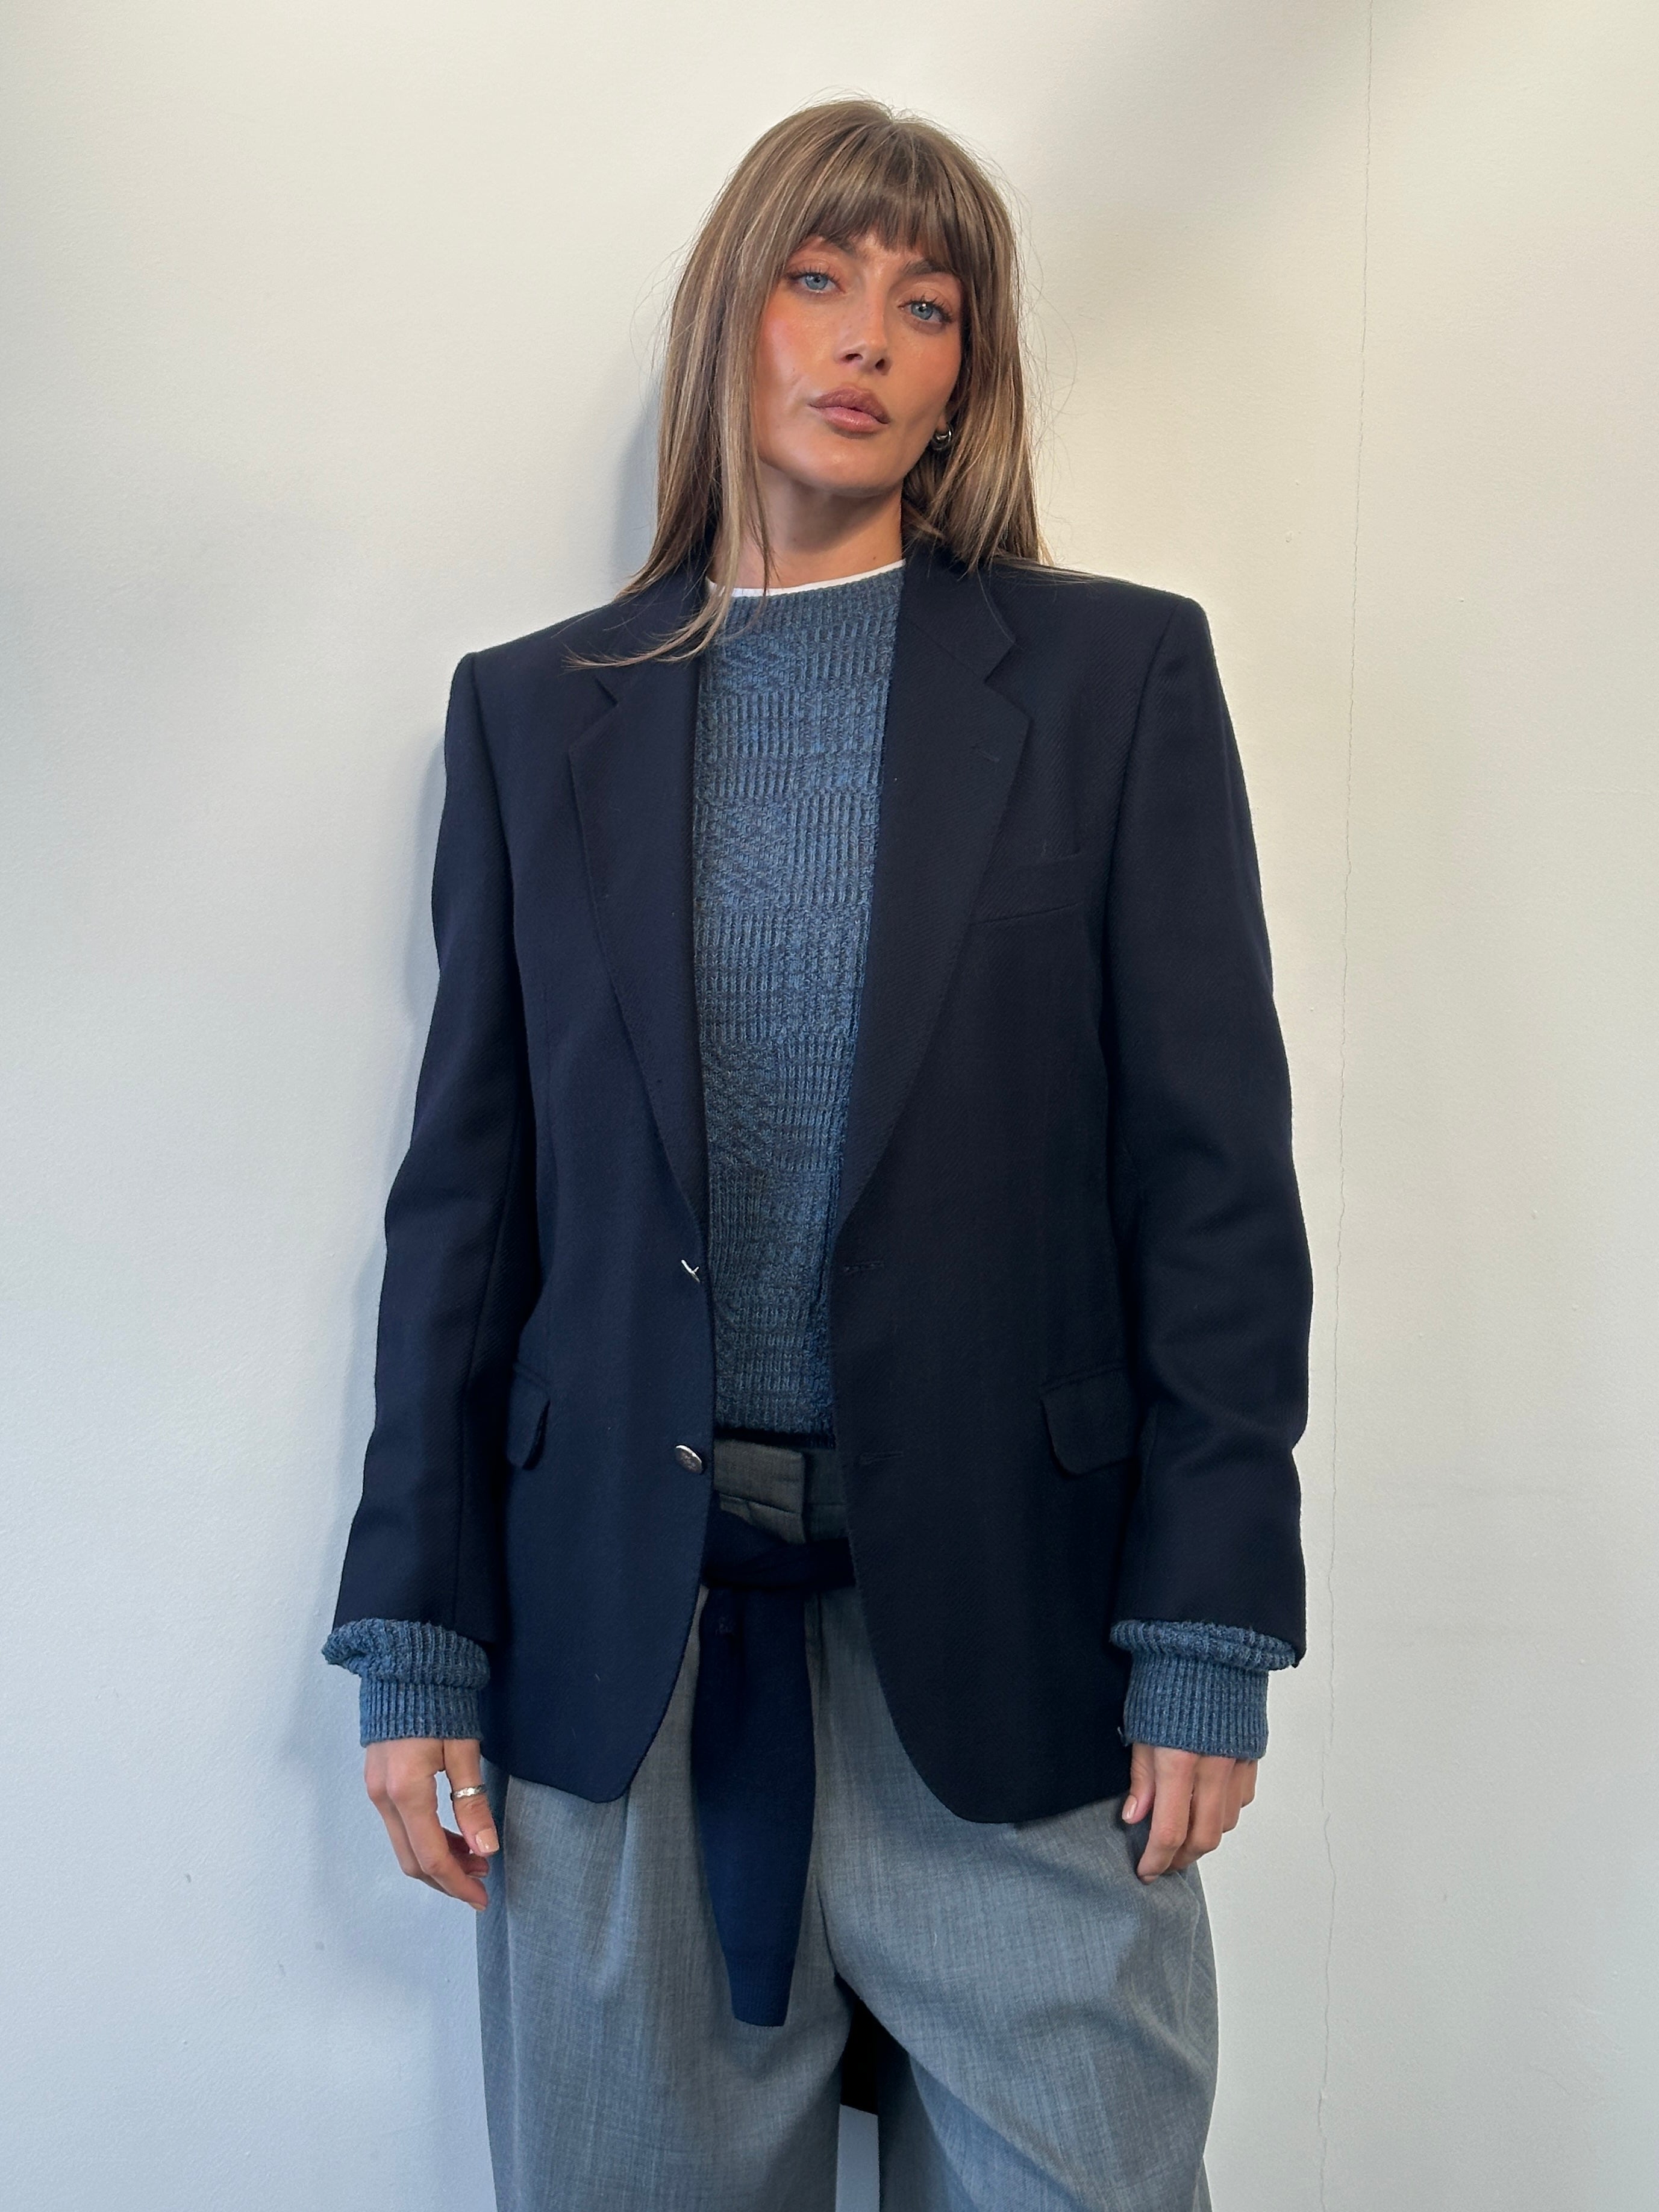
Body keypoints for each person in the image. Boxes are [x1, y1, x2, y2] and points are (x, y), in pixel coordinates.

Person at [323, 97, 1312, 2212]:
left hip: (1020, 1660)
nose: (867, 336)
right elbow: (465, 1214)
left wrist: (1207, 1631)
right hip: (624, 1665)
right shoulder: (533, 714)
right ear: (731, 317)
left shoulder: (1113, 677)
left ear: (967, 373)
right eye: (819, 277)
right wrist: (418, 1639)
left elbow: (1213, 1187)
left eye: (926, 305)